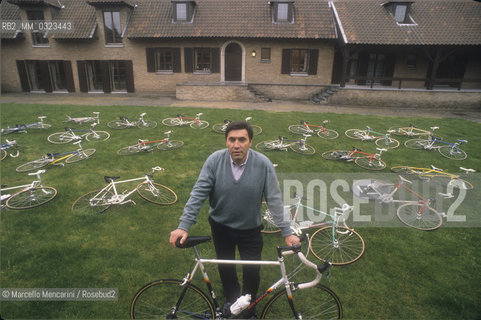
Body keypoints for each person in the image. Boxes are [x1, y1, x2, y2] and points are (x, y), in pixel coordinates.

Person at [169, 120, 299, 317]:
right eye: (232, 140)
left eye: (242, 139)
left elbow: (274, 199)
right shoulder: (214, 161)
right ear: (226, 142)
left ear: (250, 142)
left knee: (252, 270)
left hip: (251, 229)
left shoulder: (263, 164)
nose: (236, 144)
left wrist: (287, 232)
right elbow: (198, 193)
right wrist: (184, 225)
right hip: (221, 226)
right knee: (226, 266)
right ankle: (231, 302)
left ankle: (248, 306)